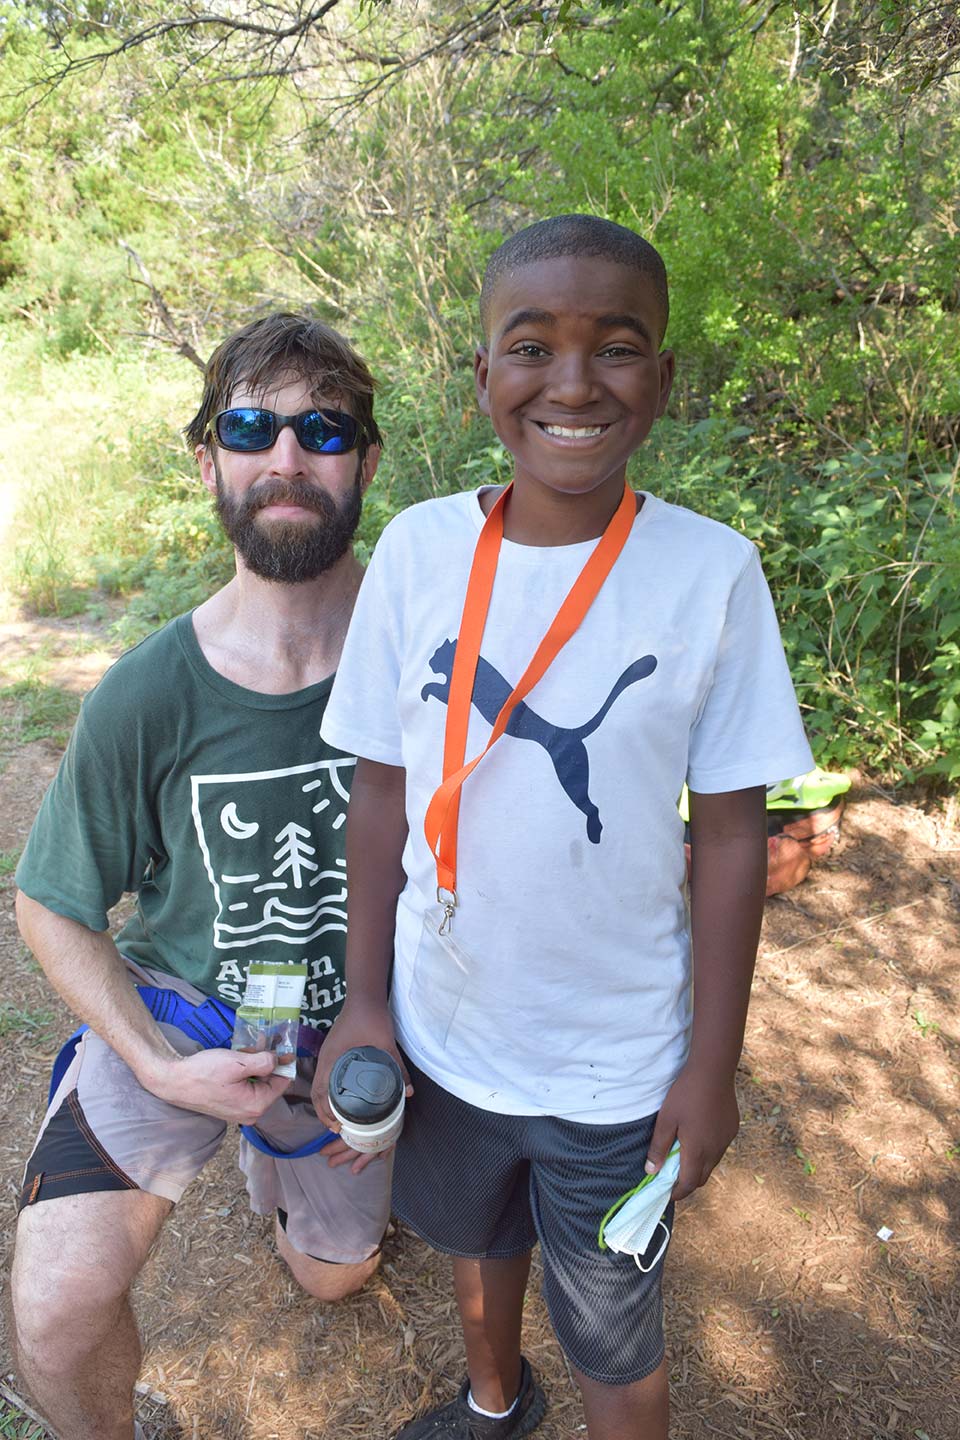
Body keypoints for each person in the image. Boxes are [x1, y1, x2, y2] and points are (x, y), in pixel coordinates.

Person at [314, 215, 815, 1440]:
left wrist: (710, 1066)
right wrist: (364, 1002)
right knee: (474, 1246)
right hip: (442, 1024)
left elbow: (736, 834)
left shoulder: (713, 572)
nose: (575, 382)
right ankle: (494, 1402)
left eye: (619, 347)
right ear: (483, 374)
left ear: (664, 378)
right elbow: (381, 790)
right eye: (532, 346)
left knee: (612, 1329)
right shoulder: (423, 550)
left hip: (618, 1064)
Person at [11, 312, 391, 1440]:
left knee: (335, 1277)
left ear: (366, 459)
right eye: (250, 426)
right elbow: (51, 903)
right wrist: (157, 1063)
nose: (287, 457)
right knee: (55, 1306)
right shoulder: (148, 694)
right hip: (184, 1008)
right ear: (208, 458)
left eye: (324, 429)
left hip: (362, 1030)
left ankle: (276, 1164)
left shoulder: (429, 660)